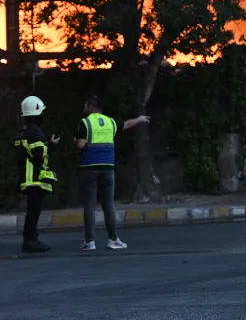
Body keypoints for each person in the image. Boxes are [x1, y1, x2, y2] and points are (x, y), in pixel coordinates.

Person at [74, 95, 149, 251]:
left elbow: (80, 145)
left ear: (91, 107)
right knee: (108, 204)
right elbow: (127, 124)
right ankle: (113, 239)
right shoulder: (110, 122)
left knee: (89, 205)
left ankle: (89, 242)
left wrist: (75, 141)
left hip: (89, 168)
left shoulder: (85, 123)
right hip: (107, 168)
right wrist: (140, 119)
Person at [15, 95, 60, 253]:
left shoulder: (23, 131)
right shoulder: (34, 131)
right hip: (33, 177)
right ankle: (30, 240)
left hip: (27, 177)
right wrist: (51, 146)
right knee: (33, 211)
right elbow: (39, 154)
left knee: (33, 210)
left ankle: (31, 239)